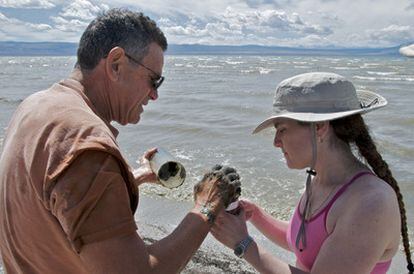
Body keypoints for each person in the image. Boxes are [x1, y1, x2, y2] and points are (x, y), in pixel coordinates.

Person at [0, 9, 238, 273]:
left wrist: (132, 178)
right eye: (154, 80)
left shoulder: (36, 107)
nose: (154, 95)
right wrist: (206, 207)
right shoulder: (86, 144)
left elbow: (58, 202)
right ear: (116, 63)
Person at [211, 72, 414, 274]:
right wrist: (255, 213)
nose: (276, 142)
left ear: (319, 127)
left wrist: (243, 244)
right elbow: (304, 243)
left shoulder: (371, 202)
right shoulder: (320, 180)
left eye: (281, 129)